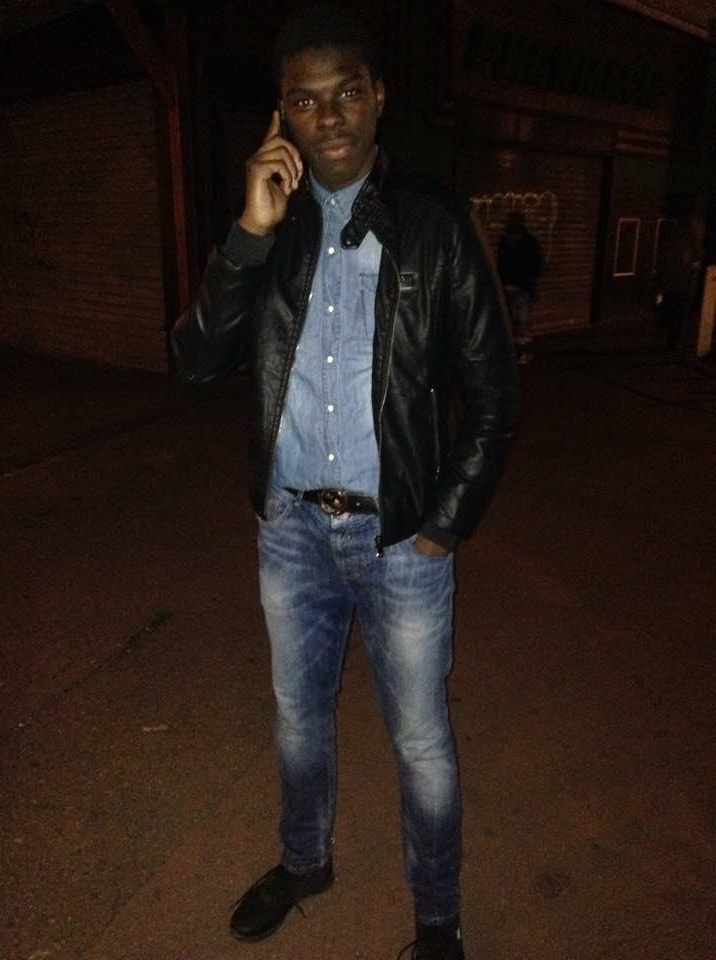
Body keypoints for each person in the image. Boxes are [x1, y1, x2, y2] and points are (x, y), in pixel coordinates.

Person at [172, 5, 519, 958]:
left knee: (421, 741)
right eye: (305, 100)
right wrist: (247, 233)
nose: (328, 116)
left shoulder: (436, 224)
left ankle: (437, 919)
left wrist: (442, 525)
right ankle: (304, 861)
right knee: (298, 716)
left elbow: (494, 396)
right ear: (282, 113)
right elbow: (197, 363)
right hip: (290, 529)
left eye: (347, 93)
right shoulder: (268, 227)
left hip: (401, 536)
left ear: (379, 98)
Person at [497, 211, 544, 364]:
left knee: (519, 322)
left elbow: (536, 264)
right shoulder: (521, 241)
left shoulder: (514, 242)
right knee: (517, 322)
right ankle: (518, 352)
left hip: (517, 288)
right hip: (514, 287)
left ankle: (520, 352)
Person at [655, 214, 704, 350]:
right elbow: (692, 265)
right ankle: (673, 341)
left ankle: (667, 338)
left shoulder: (672, 242)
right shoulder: (691, 245)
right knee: (678, 315)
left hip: (671, 285)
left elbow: (664, 264)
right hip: (681, 286)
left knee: (670, 312)